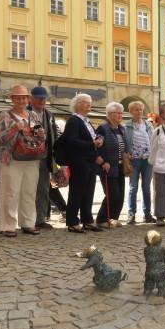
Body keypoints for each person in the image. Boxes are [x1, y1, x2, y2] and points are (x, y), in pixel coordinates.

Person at [0, 85, 46, 237]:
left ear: (28, 99)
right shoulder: (5, 115)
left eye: (24, 97)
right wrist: (13, 129)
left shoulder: (33, 116)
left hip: (31, 158)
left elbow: (38, 137)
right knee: (10, 192)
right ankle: (8, 225)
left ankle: (28, 223)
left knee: (29, 192)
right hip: (10, 158)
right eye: (18, 97)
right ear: (12, 99)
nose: (21, 100)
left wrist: (41, 134)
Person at [63, 93, 104, 233]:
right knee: (77, 191)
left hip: (89, 160)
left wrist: (97, 141)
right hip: (79, 160)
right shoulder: (74, 120)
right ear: (77, 105)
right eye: (85, 102)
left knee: (89, 191)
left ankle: (87, 220)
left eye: (90, 102)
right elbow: (71, 141)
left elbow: (89, 138)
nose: (89, 104)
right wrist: (92, 143)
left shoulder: (86, 120)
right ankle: (72, 222)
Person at [27, 86, 60, 230]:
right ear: (31, 99)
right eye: (39, 98)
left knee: (43, 190)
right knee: (27, 190)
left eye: (44, 98)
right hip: (28, 158)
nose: (42, 100)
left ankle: (40, 219)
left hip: (45, 158)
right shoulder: (26, 113)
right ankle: (27, 219)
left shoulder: (49, 115)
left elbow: (55, 136)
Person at [95, 102, 128, 229]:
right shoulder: (103, 128)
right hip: (108, 166)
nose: (120, 115)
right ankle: (101, 219)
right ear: (109, 114)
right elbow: (97, 147)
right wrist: (102, 162)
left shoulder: (121, 129)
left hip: (120, 166)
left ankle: (113, 218)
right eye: (117, 113)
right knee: (112, 193)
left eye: (121, 113)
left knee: (120, 194)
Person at [124, 101, 156, 225]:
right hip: (134, 159)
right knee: (133, 187)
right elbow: (124, 142)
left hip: (147, 159)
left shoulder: (148, 125)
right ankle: (131, 214)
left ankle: (147, 214)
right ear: (131, 111)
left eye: (141, 109)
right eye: (136, 109)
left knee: (146, 187)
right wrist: (127, 153)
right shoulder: (127, 126)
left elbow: (153, 140)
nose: (139, 111)